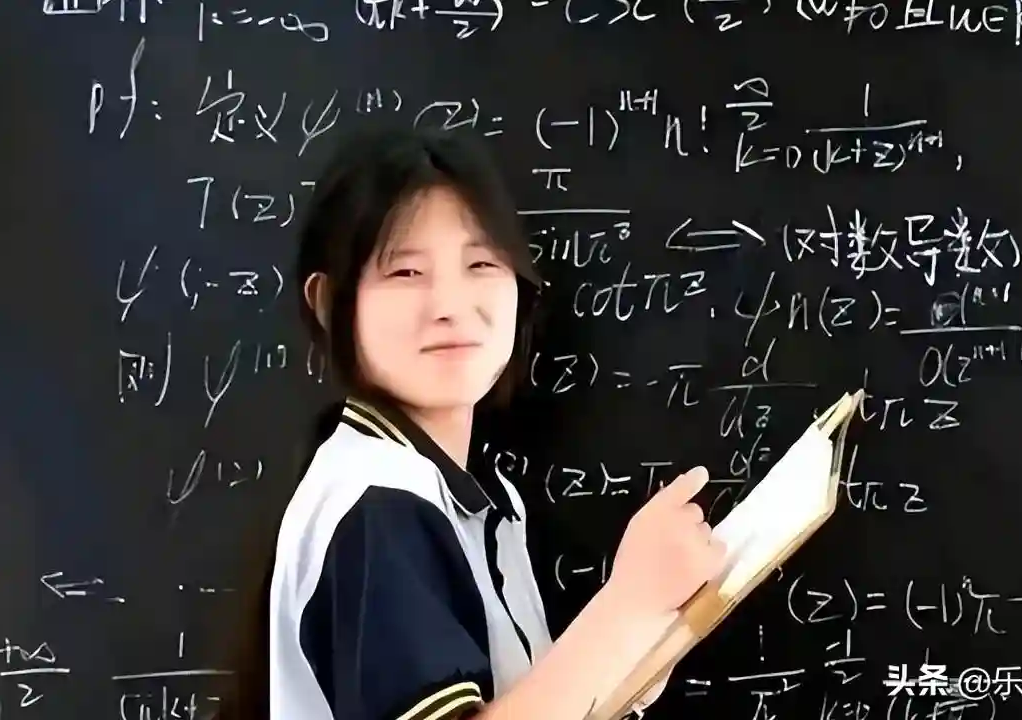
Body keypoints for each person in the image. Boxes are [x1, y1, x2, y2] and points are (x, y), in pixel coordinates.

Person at [217, 127, 727, 720]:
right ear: (331, 305)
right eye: (405, 272)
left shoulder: (475, 494)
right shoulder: (378, 504)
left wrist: (637, 642)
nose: (451, 306)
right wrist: (627, 603)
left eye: (481, 263)